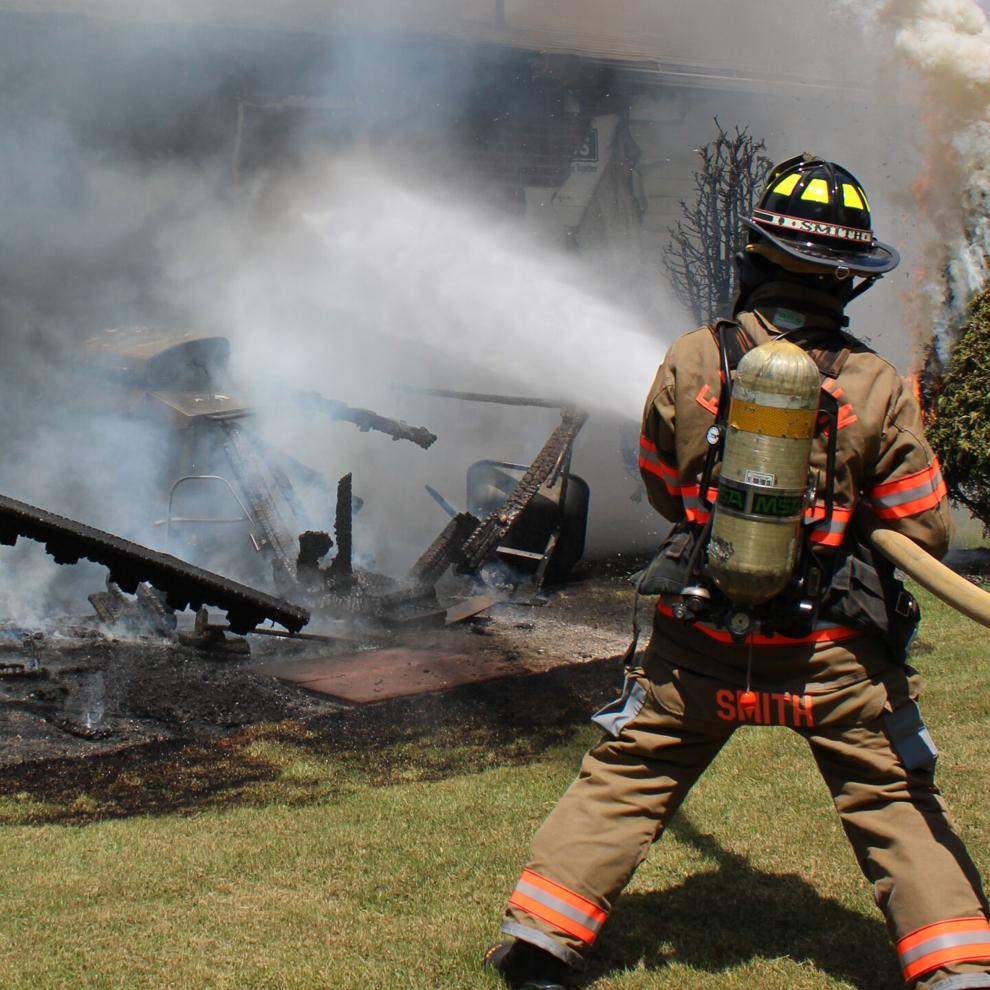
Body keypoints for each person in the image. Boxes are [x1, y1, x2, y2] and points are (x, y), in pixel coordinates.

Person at [484, 155, 990, 990]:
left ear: (752, 255)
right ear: (849, 281)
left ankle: (541, 942)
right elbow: (925, 528)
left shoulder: (693, 358)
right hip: (831, 656)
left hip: (702, 642)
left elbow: (661, 485)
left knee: (632, 772)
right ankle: (956, 970)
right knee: (891, 795)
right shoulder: (872, 383)